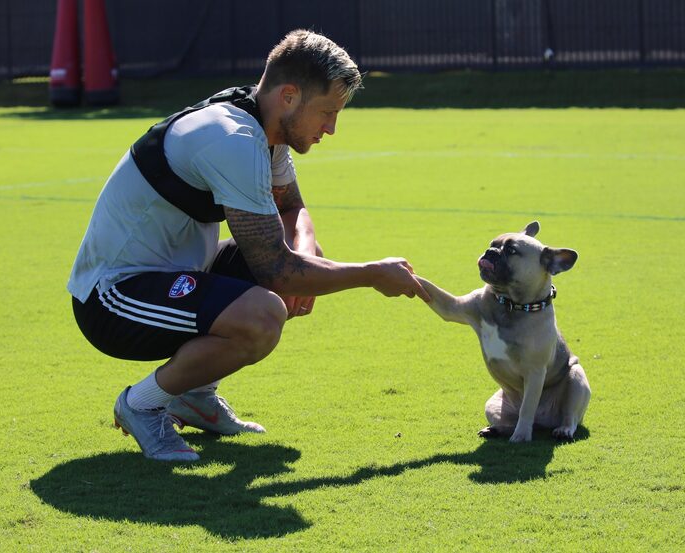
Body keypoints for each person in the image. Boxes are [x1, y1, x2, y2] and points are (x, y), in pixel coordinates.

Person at [67, 29, 429, 462]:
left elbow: (293, 208)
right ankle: (141, 404)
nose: (331, 129)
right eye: (327, 112)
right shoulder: (232, 138)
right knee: (264, 312)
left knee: (290, 268)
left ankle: (194, 396)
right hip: (111, 298)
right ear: (290, 96)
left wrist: (307, 255)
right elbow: (276, 269)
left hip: (174, 274)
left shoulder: (263, 124)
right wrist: (372, 274)